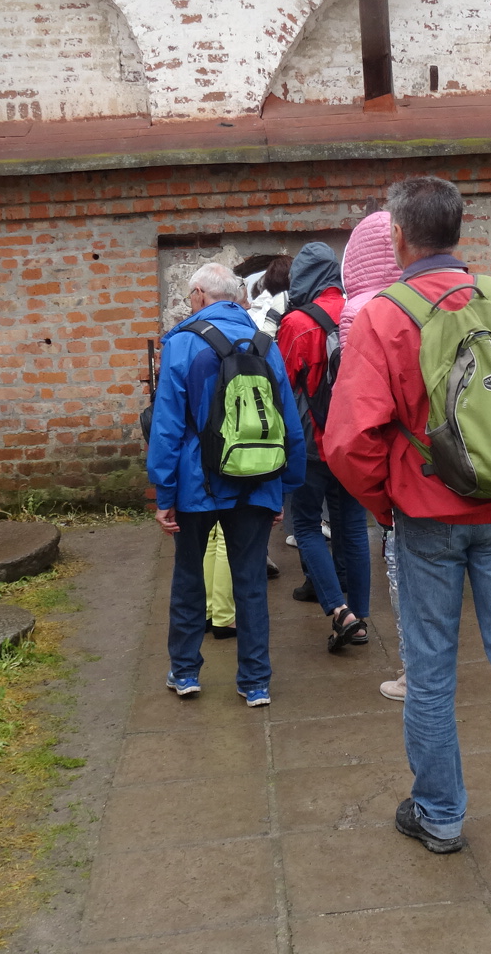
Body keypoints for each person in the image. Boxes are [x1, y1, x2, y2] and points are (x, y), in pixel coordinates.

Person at [325, 175, 491, 890]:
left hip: (427, 517)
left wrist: (389, 502)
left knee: (431, 672)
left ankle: (439, 814)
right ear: (459, 231)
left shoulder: (383, 317)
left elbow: (348, 441)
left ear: (398, 237)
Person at [147, 262, 308, 707]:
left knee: (188, 577)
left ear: (200, 294)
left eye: (190, 295)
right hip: (256, 482)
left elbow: (166, 427)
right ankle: (255, 682)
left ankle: (185, 672)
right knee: (251, 582)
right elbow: (288, 424)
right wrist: (282, 490)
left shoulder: (181, 343)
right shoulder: (264, 344)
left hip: (195, 484)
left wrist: (164, 494)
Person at [276, 241, 371, 651]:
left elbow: (281, 387)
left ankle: (339, 610)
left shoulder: (296, 323)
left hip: (312, 444)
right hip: (353, 441)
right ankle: (360, 616)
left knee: (307, 525)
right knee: (353, 526)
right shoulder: (360, 312)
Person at [339, 210, 411, 701]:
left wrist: (378, 498)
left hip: (408, 479)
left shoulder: (361, 313)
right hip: (482, 471)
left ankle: (415, 674)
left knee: (410, 581)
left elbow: (357, 423)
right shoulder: (479, 295)